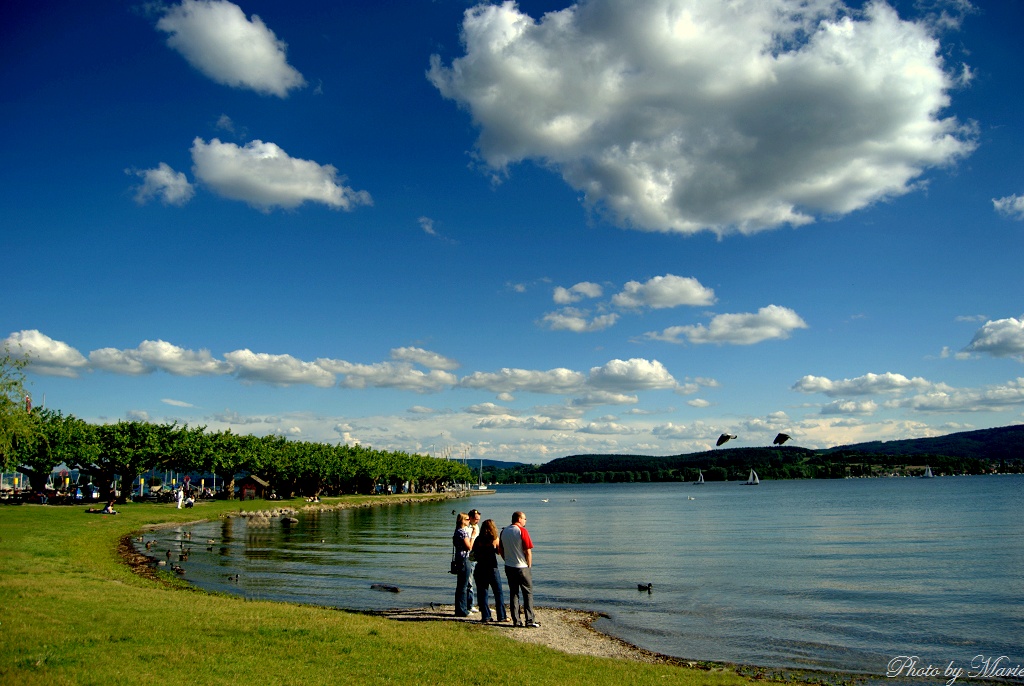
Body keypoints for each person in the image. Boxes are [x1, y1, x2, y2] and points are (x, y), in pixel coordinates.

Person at [498, 511, 538, 627]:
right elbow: (528, 551)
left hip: (509, 566)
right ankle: (530, 620)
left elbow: (501, 550)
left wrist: (506, 560)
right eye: (524, 519)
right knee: (527, 593)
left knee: (514, 593)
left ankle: (516, 620)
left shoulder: (504, 531)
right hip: (522, 567)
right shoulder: (522, 531)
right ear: (519, 519)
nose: (525, 521)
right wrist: (529, 566)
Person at [472, 519, 507, 623]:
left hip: (480, 567)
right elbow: (499, 552)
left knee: (482, 593)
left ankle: (485, 616)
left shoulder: (478, 539)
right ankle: (501, 616)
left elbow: (473, 553)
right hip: (492, 568)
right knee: (498, 592)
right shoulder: (494, 539)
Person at [452, 512, 476, 617]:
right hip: (464, 559)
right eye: (466, 519)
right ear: (462, 520)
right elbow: (469, 547)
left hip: (459, 558)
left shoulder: (457, 531)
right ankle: (462, 610)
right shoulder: (463, 532)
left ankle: (459, 608)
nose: (468, 521)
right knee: (463, 585)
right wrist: (473, 536)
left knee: (461, 585)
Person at [466, 508, 482, 611]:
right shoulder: (467, 528)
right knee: (469, 582)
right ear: (470, 518)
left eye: (479, 519)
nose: (477, 521)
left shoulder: (477, 526)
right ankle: (470, 604)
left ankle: (481, 604)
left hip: (477, 556)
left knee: (479, 581)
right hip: (469, 557)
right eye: (476, 519)